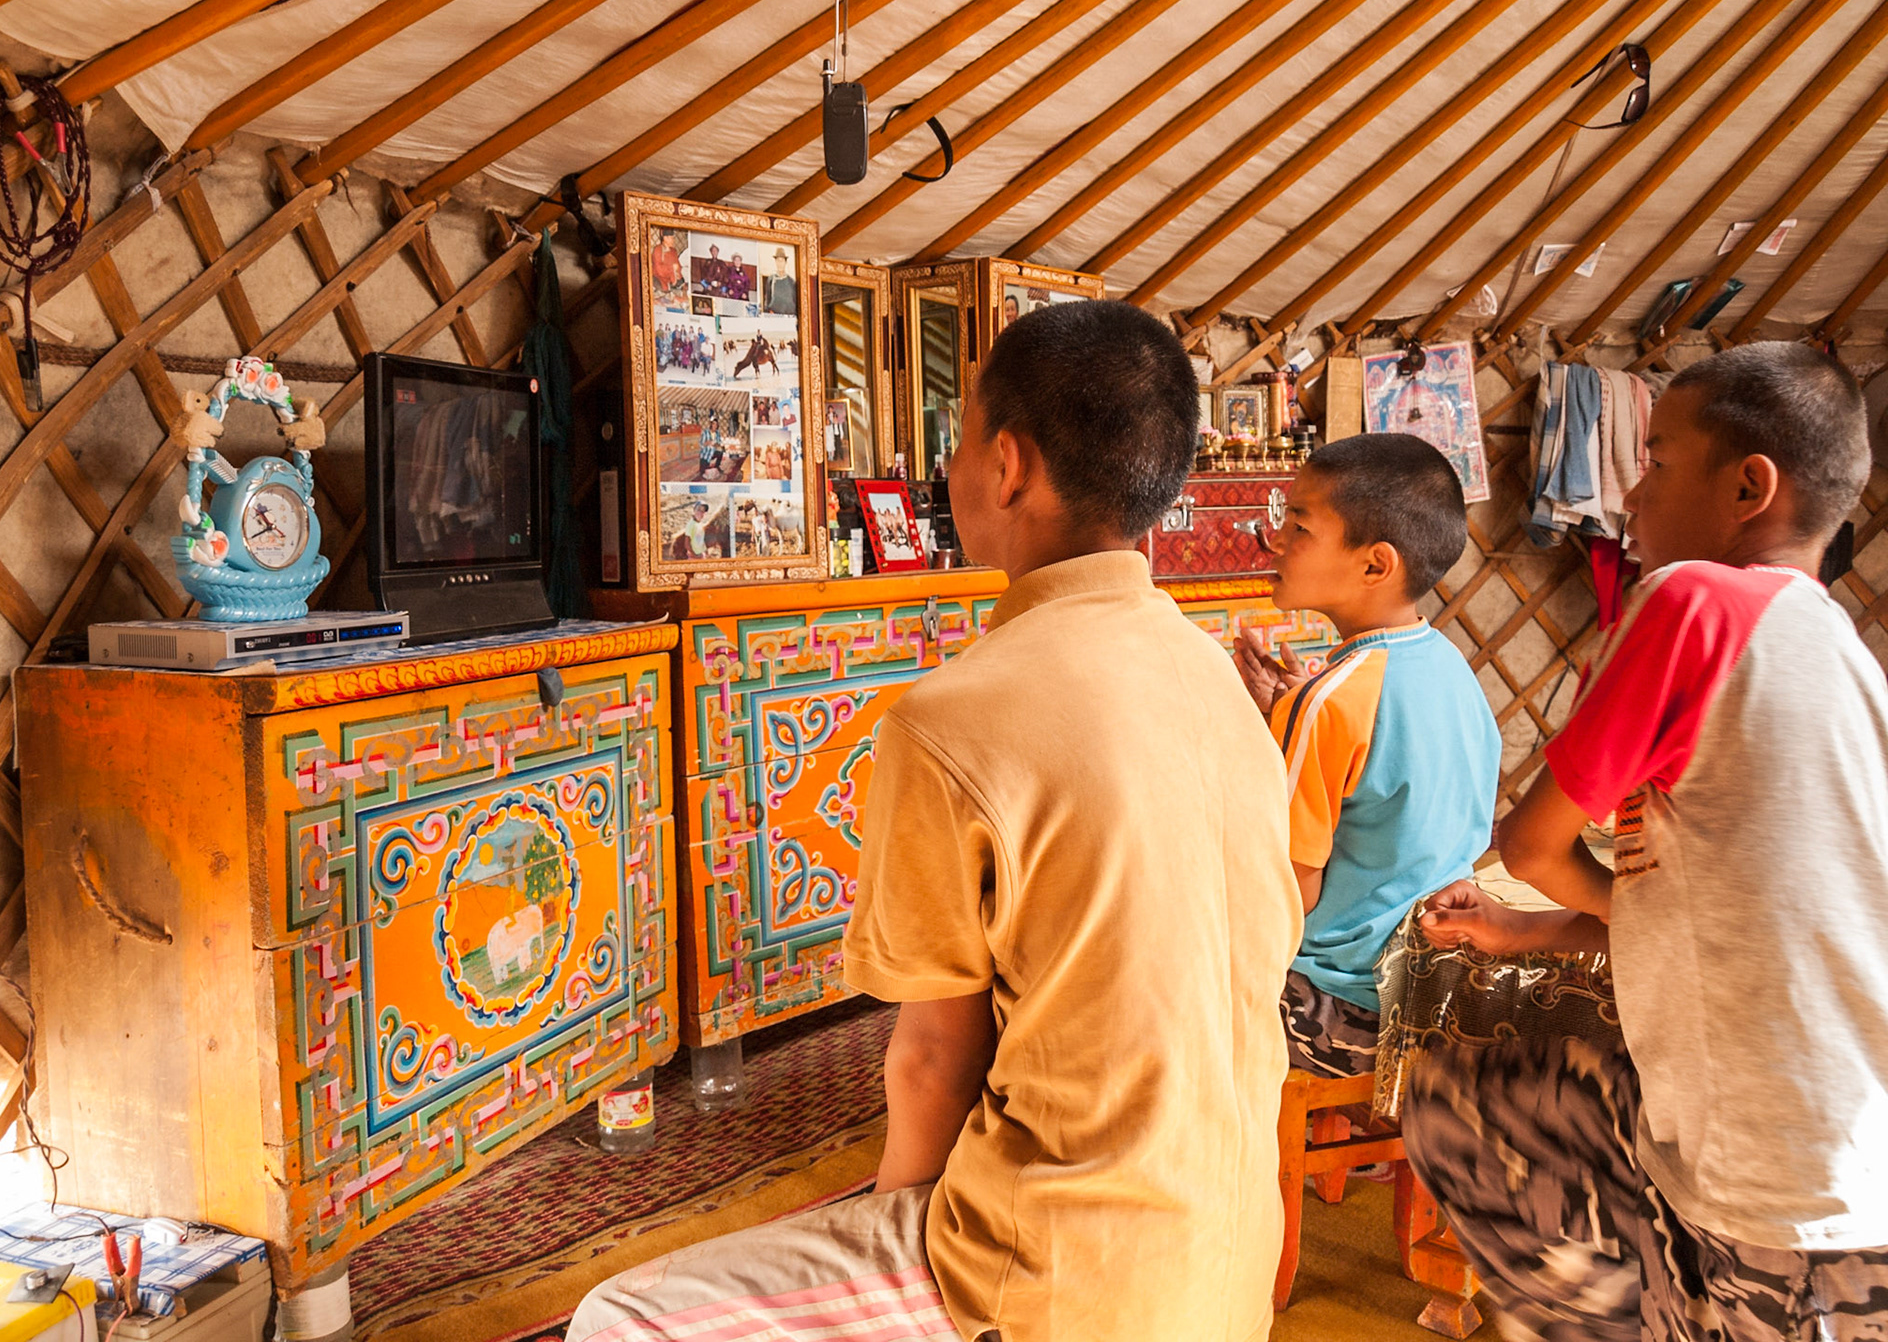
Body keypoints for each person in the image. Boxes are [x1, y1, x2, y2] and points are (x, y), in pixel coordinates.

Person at [566, 300, 1299, 1342]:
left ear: (1008, 466)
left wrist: (898, 1244)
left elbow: (930, 1061)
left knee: (623, 1317)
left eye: (958, 444)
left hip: (1058, 1279)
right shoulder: (1221, 680)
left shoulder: (951, 719)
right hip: (1231, 1264)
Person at [1399, 341, 1888, 1342]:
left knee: (1458, 1112)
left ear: (1749, 488)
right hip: (1835, 1138)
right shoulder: (1841, 654)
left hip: (1778, 1163)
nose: (1628, 491)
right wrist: (1524, 934)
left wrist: (1538, 899)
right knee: (1482, 1107)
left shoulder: (1695, 601)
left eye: (1657, 462)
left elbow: (1532, 847)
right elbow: (1738, 916)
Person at [1233, 433, 1498, 1077]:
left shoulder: (1327, 703)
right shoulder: (1451, 669)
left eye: (1299, 526)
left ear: (1376, 565)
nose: (1274, 540)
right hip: (1439, 995)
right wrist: (1293, 713)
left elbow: (1288, 891)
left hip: (1336, 1011)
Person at [764, 247, 798, 314]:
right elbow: (767, 301)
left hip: (789, 316)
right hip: (775, 316)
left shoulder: (791, 282)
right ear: (775, 262)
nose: (780, 263)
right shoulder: (771, 279)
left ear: (785, 262)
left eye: (781, 261)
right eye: (778, 261)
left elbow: (795, 302)